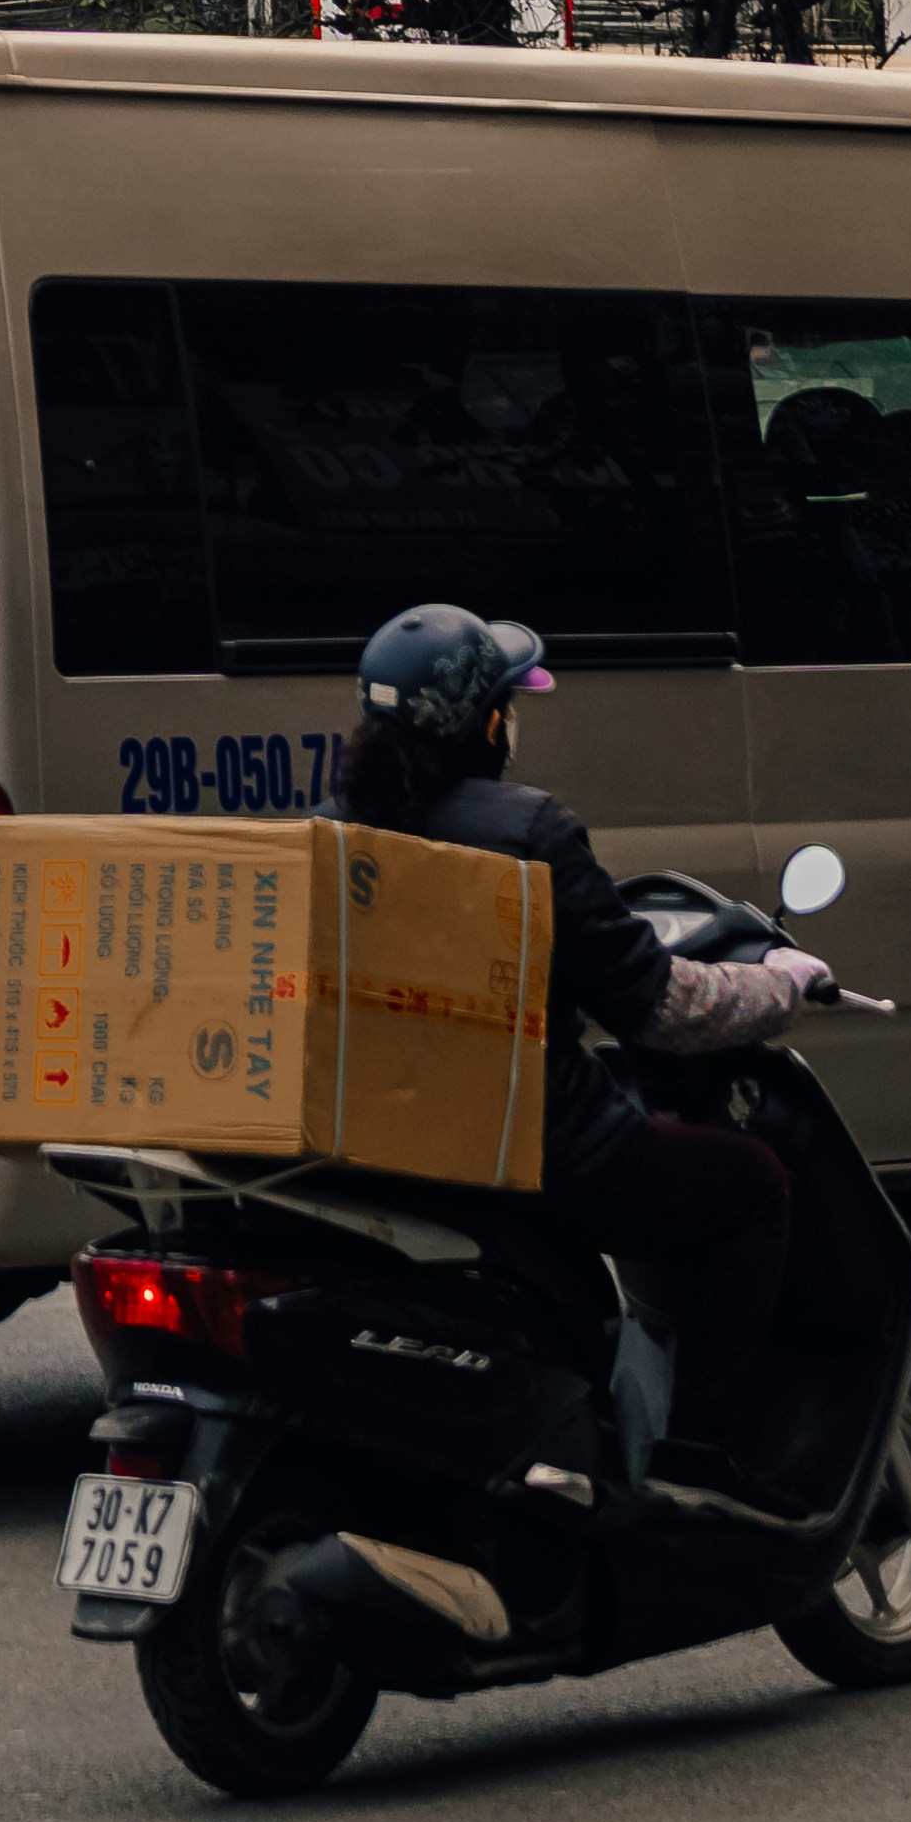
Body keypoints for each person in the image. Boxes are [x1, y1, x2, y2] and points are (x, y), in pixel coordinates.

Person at [332, 603, 830, 1490]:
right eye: (508, 705)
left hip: (387, 1141)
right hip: (538, 1154)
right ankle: (701, 1445)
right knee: (753, 1186)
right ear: (488, 722)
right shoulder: (531, 832)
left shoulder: (330, 832)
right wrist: (783, 985)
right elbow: (660, 1008)